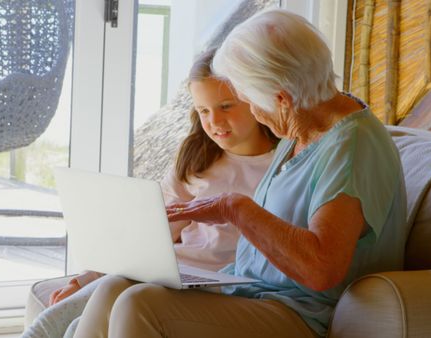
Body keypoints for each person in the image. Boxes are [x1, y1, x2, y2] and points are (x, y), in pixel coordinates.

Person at [71, 9, 407, 338]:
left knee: (139, 304)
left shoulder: (353, 148)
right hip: (249, 293)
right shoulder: (303, 129)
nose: (256, 115)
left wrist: (236, 209)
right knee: (116, 286)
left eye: (249, 100)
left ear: (282, 99)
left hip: (301, 314)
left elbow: (320, 269)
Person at [21, 48, 278, 338]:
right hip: (172, 272)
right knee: (73, 317)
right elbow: (154, 233)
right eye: (204, 111)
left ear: (254, 99)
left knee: (93, 312)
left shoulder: (280, 166)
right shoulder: (198, 157)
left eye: (227, 106)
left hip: (219, 286)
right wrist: (91, 273)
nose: (215, 122)